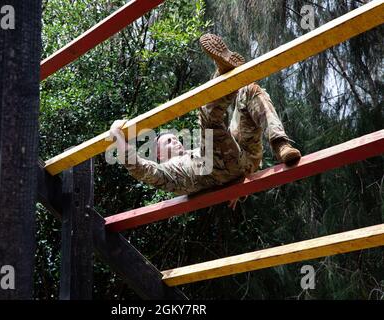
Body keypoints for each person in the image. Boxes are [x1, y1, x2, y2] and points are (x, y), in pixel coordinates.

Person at [109, 34, 301, 208]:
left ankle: (280, 144)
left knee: (248, 91)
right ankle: (223, 75)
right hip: (221, 168)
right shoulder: (166, 172)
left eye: (175, 138)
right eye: (168, 141)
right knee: (207, 119)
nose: (175, 140)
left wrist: (237, 188)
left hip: (246, 158)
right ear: (158, 154)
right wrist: (118, 136)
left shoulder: (195, 153)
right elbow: (140, 169)